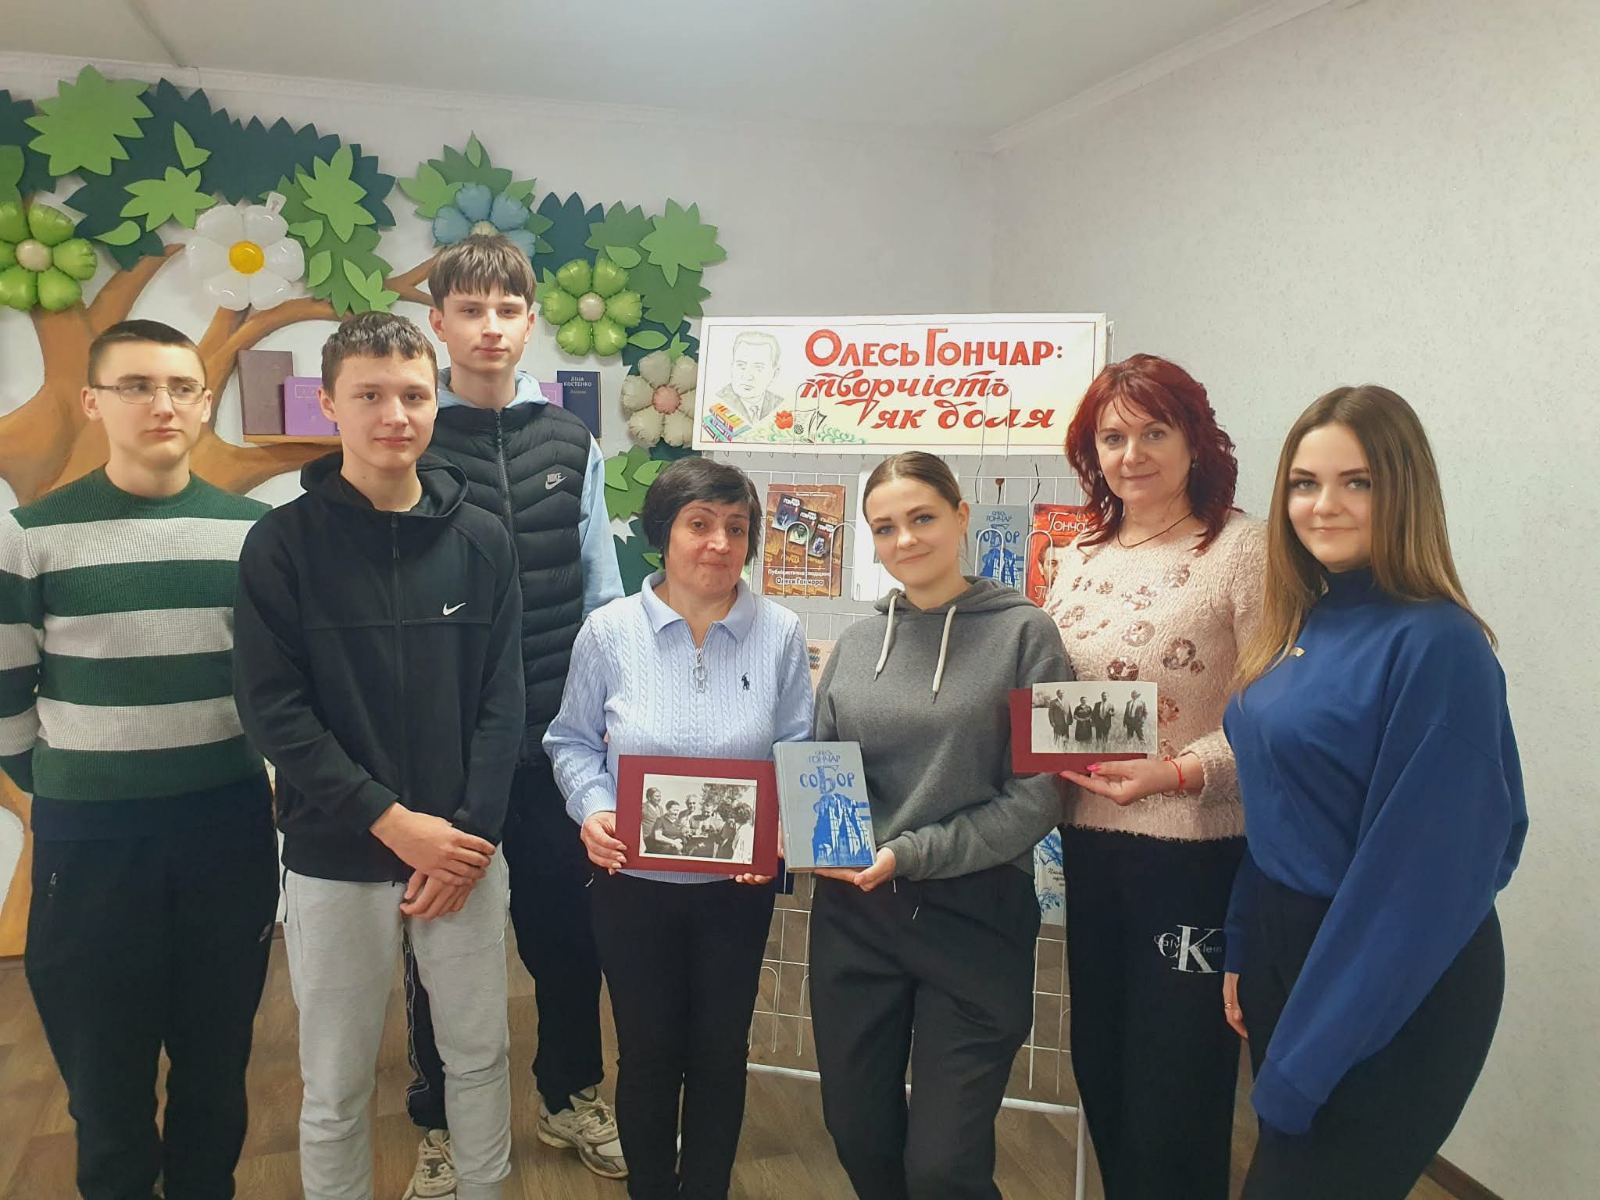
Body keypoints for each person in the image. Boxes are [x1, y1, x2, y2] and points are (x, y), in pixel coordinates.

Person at [233, 313, 524, 1200]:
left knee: (479, 1057)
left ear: (435, 402)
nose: (394, 415)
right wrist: (392, 822)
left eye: (412, 394)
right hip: (335, 853)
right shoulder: (281, 544)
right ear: (328, 404)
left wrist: (469, 837)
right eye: (369, 395)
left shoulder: (483, 539)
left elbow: (502, 701)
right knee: (335, 1083)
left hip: (462, 856)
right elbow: (274, 712)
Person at [1222, 386, 1526, 1199]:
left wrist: (1308, 1056)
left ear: (1404, 490)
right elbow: (1278, 800)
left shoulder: (1439, 645)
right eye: (1304, 483)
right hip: (1292, 948)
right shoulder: (1299, 622)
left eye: (1356, 481)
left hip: (1388, 975)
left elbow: (1421, 884)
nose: (1323, 505)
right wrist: (1246, 942)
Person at [0, 319, 277, 1200]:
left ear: (205, 402)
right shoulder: (30, 535)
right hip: (91, 844)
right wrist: (72, 786)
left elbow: (273, 682)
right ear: (93, 401)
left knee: (216, 1066)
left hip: (227, 830)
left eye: (181, 387)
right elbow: (6, 697)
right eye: (136, 386)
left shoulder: (253, 532)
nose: (163, 404)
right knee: (105, 1083)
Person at [401, 233, 627, 1191]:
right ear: (438, 322)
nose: (489, 327)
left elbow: (603, 593)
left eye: (506, 310)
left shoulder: (571, 442)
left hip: (555, 745)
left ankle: (570, 1095)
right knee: (439, 945)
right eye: (470, 309)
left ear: (530, 323)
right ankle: (443, 1122)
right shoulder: (413, 435)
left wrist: (610, 722)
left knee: (570, 937)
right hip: (445, 752)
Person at [545, 457, 812, 1200]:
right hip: (632, 883)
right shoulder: (609, 632)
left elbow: (796, 746)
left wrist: (781, 830)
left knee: (722, 1053)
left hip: (737, 886)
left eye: (737, 527)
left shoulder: (780, 632)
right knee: (649, 1051)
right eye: (700, 524)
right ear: (663, 534)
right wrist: (593, 808)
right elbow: (571, 741)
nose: (720, 543)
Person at [809, 452, 1069, 1200]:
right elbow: (823, 767)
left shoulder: (1026, 635)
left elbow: (1041, 795)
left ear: (961, 517)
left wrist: (911, 852)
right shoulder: (858, 644)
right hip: (857, 914)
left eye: (922, 518)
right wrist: (808, 833)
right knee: (858, 1135)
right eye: (885, 527)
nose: (905, 540)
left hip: (975, 914)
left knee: (943, 1168)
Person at [1045, 354, 1264, 1200]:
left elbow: (1278, 720)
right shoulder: (1079, 552)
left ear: (1194, 441)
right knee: (1102, 1067)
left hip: (1194, 855)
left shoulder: (1242, 550)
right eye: (1112, 437)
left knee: (1176, 1088)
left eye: (1154, 432)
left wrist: (1176, 771)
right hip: (1089, 842)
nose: (1131, 454)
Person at [716, 331, 786, 431]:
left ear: (775, 373)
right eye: (741, 365)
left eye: (758, 368)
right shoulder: (718, 402)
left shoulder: (780, 405)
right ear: (732, 366)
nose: (747, 376)